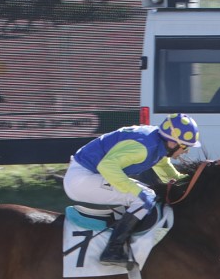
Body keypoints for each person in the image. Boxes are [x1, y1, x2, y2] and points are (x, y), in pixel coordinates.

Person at [63, 113, 200, 267]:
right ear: (173, 142)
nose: (186, 151)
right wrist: (136, 190)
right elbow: (106, 166)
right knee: (144, 197)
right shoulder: (143, 148)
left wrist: (189, 182)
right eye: (185, 146)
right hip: (82, 179)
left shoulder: (157, 141)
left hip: (90, 173)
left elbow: (164, 167)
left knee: (146, 194)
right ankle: (112, 250)